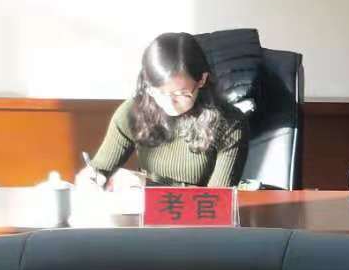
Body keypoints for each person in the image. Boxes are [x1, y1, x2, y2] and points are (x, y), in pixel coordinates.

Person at [79, 32, 247, 190]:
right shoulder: (132, 112)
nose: (169, 103)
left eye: (181, 94)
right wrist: (91, 179)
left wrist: (148, 185)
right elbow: (100, 169)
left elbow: (219, 201)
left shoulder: (230, 124)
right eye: (159, 93)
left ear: (202, 79)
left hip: (196, 212)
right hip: (141, 209)